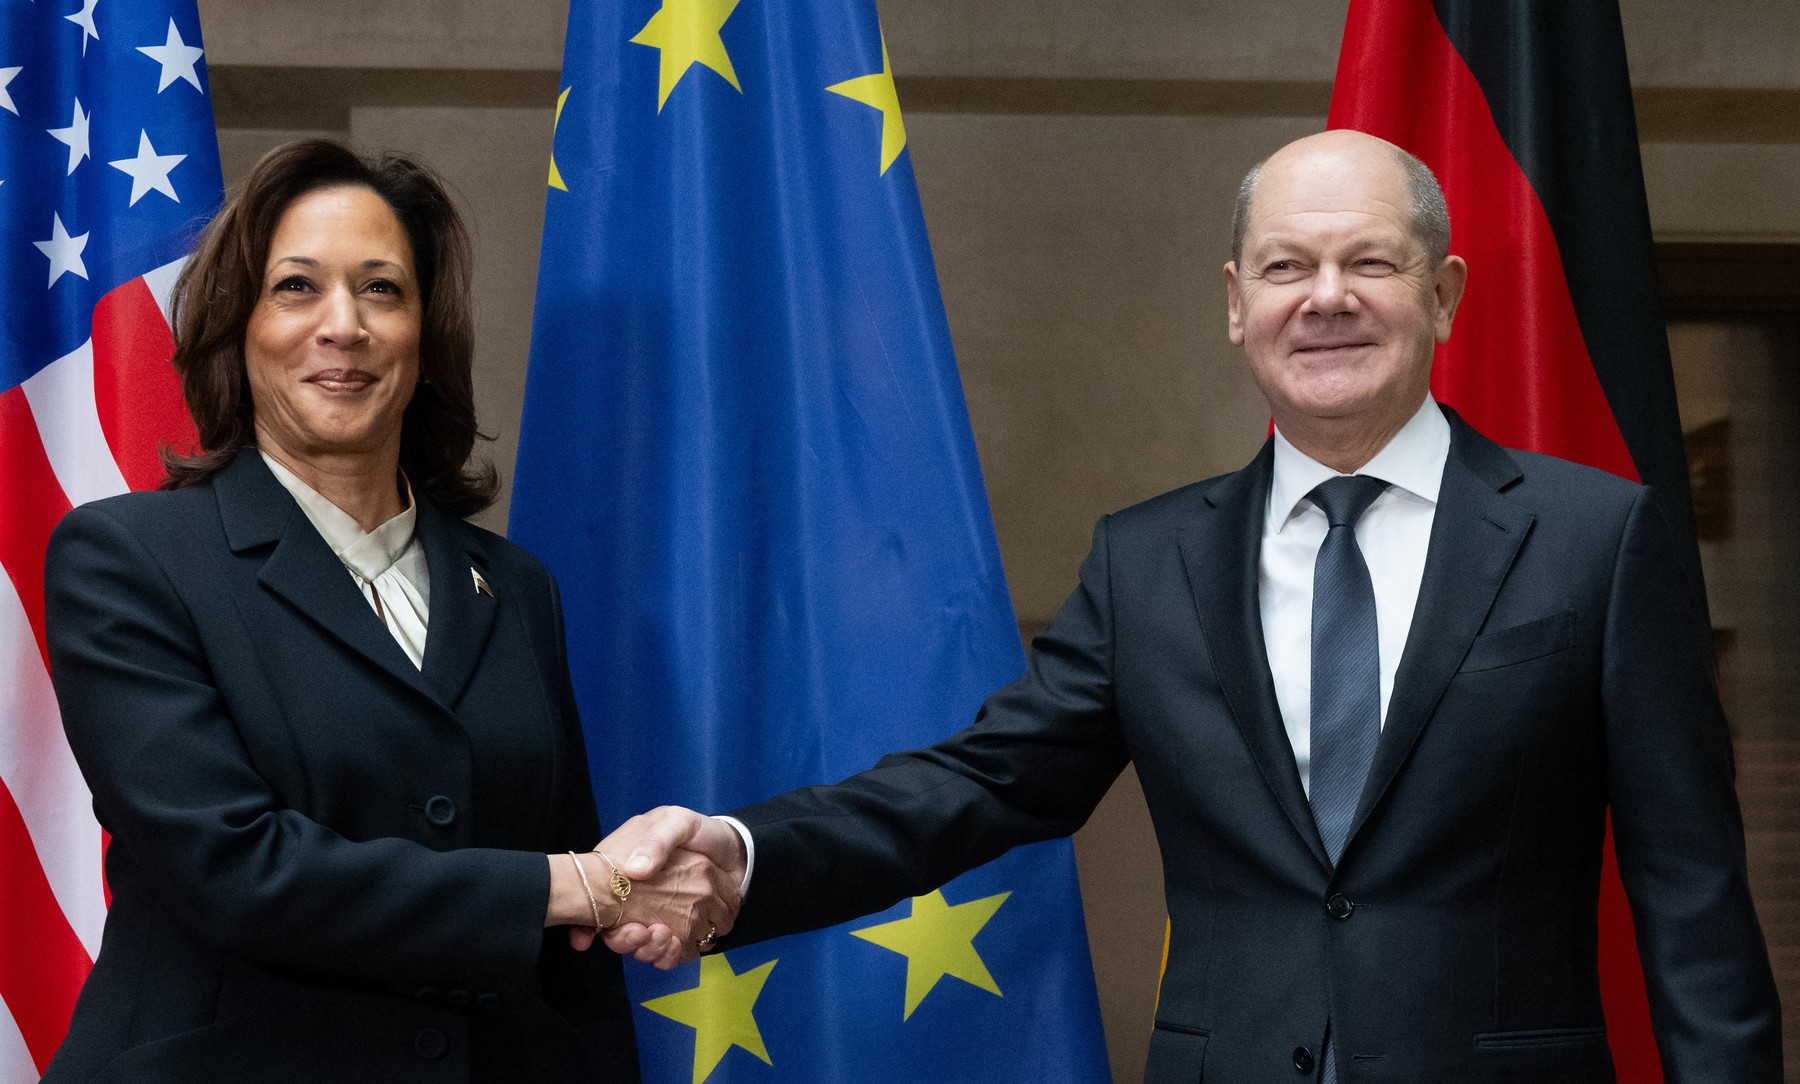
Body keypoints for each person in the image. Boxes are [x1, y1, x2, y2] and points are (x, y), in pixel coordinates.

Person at [604, 130, 1783, 1082]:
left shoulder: (1596, 538)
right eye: (1285, 266)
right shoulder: (1148, 559)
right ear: (1236, 301)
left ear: (1445, 294)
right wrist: (743, 854)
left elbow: (1692, 896)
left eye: (1369, 262)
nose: (1325, 298)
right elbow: (978, 785)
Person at [42, 139, 736, 1083]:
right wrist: (574, 883)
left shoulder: (516, 586)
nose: (344, 326)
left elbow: (573, 962)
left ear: (424, 333)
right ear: (236, 326)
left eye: (381, 289)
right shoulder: (127, 558)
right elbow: (237, 870)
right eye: (296, 288)